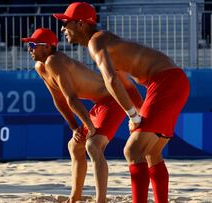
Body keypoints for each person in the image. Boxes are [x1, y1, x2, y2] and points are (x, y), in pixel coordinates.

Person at [54, 2, 190, 203]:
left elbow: (111, 80)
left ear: (81, 24)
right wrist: (138, 112)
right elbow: (127, 86)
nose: (63, 28)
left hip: (166, 82)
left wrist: (134, 116)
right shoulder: (106, 41)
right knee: (151, 152)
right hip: (173, 81)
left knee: (132, 150)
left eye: (66, 22)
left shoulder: (96, 42)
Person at [21, 28, 143, 203]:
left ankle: (101, 200)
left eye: (33, 45)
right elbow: (59, 100)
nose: (29, 48)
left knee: (93, 146)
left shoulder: (54, 61)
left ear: (47, 47)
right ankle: (75, 197)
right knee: (74, 145)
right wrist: (74, 127)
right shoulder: (40, 66)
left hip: (113, 99)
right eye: (29, 45)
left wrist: (89, 126)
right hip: (101, 103)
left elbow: (71, 98)